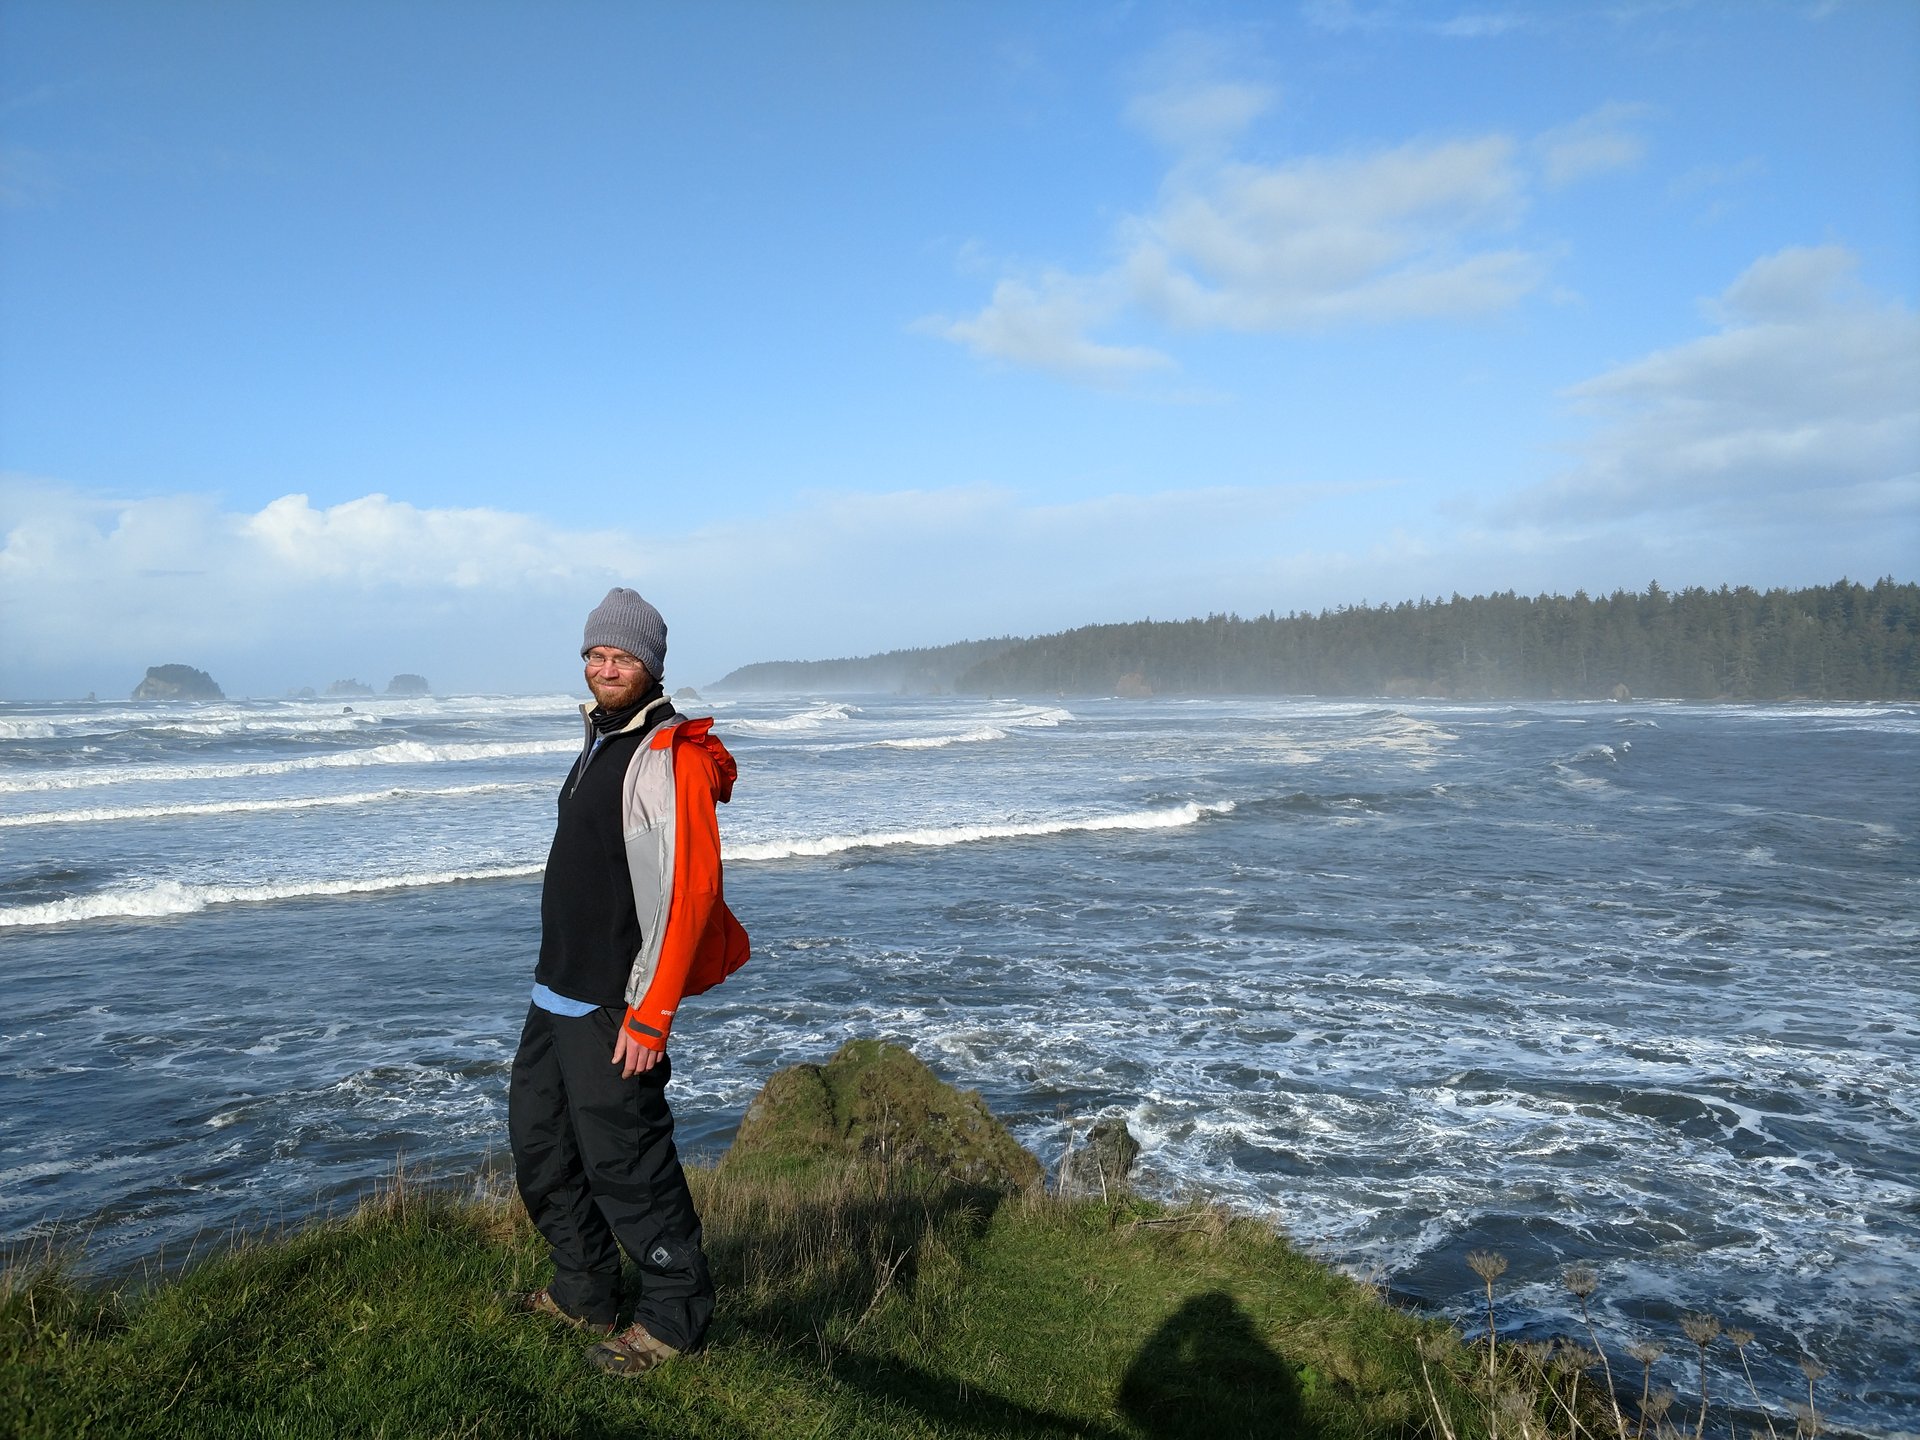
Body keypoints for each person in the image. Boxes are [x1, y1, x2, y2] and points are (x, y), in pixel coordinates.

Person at [506, 586, 749, 1376]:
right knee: (542, 1149)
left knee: (629, 1164)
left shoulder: (667, 754)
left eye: (622, 656)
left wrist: (651, 1016)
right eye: (596, 655)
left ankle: (674, 1320)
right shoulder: (601, 738)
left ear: (651, 666)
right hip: (557, 991)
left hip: (616, 1001)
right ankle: (583, 1290)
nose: (606, 668)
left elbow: (689, 893)